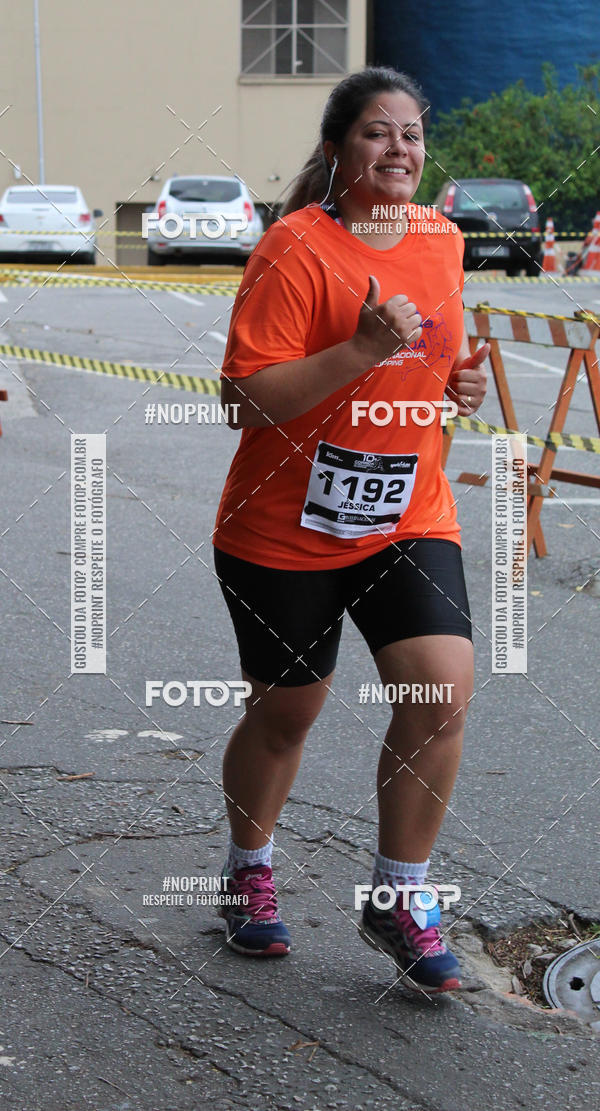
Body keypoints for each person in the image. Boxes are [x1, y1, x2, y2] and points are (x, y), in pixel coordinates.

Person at [212, 66, 489, 994]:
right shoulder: (294, 249)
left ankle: (400, 892)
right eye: (378, 133)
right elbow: (242, 400)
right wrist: (363, 348)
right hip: (283, 527)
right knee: (288, 711)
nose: (400, 149)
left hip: (406, 512)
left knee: (442, 687)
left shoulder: (444, 241)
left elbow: (437, 363)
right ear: (337, 151)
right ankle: (250, 866)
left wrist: (458, 391)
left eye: (412, 133)